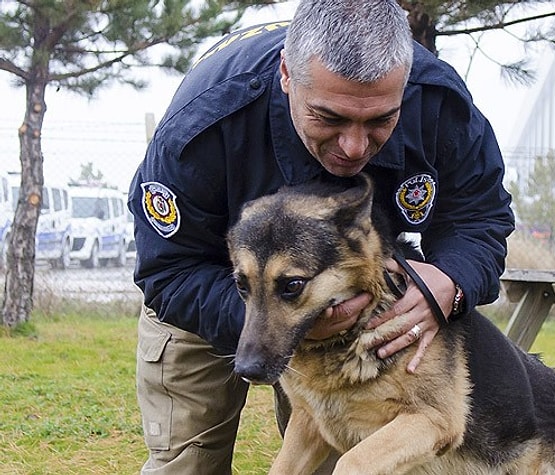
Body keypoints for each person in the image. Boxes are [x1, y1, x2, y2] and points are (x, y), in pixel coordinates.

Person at [128, 0, 514, 473]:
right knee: (186, 462)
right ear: (288, 75)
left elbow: (481, 215)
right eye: (329, 118)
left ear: (405, 84)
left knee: (343, 457)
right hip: (211, 290)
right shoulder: (203, 129)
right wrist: (288, 317)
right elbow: (169, 270)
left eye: (379, 122)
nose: (354, 147)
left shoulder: (437, 105)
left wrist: (451, 279)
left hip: (356, 302)